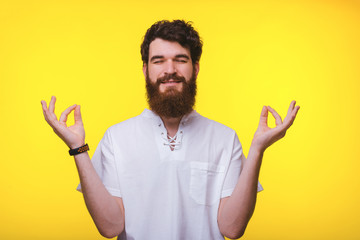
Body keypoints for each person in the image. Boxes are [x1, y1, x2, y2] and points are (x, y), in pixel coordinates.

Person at [41, 20, 300, 240]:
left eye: (180, 59)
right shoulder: (117, 137)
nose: (170, 70)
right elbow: (110, 228)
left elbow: (232, 229)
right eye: (158, 61)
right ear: (145, 71)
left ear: (195, 68)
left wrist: (257, 149)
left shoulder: (224, 138)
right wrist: (78, 148)